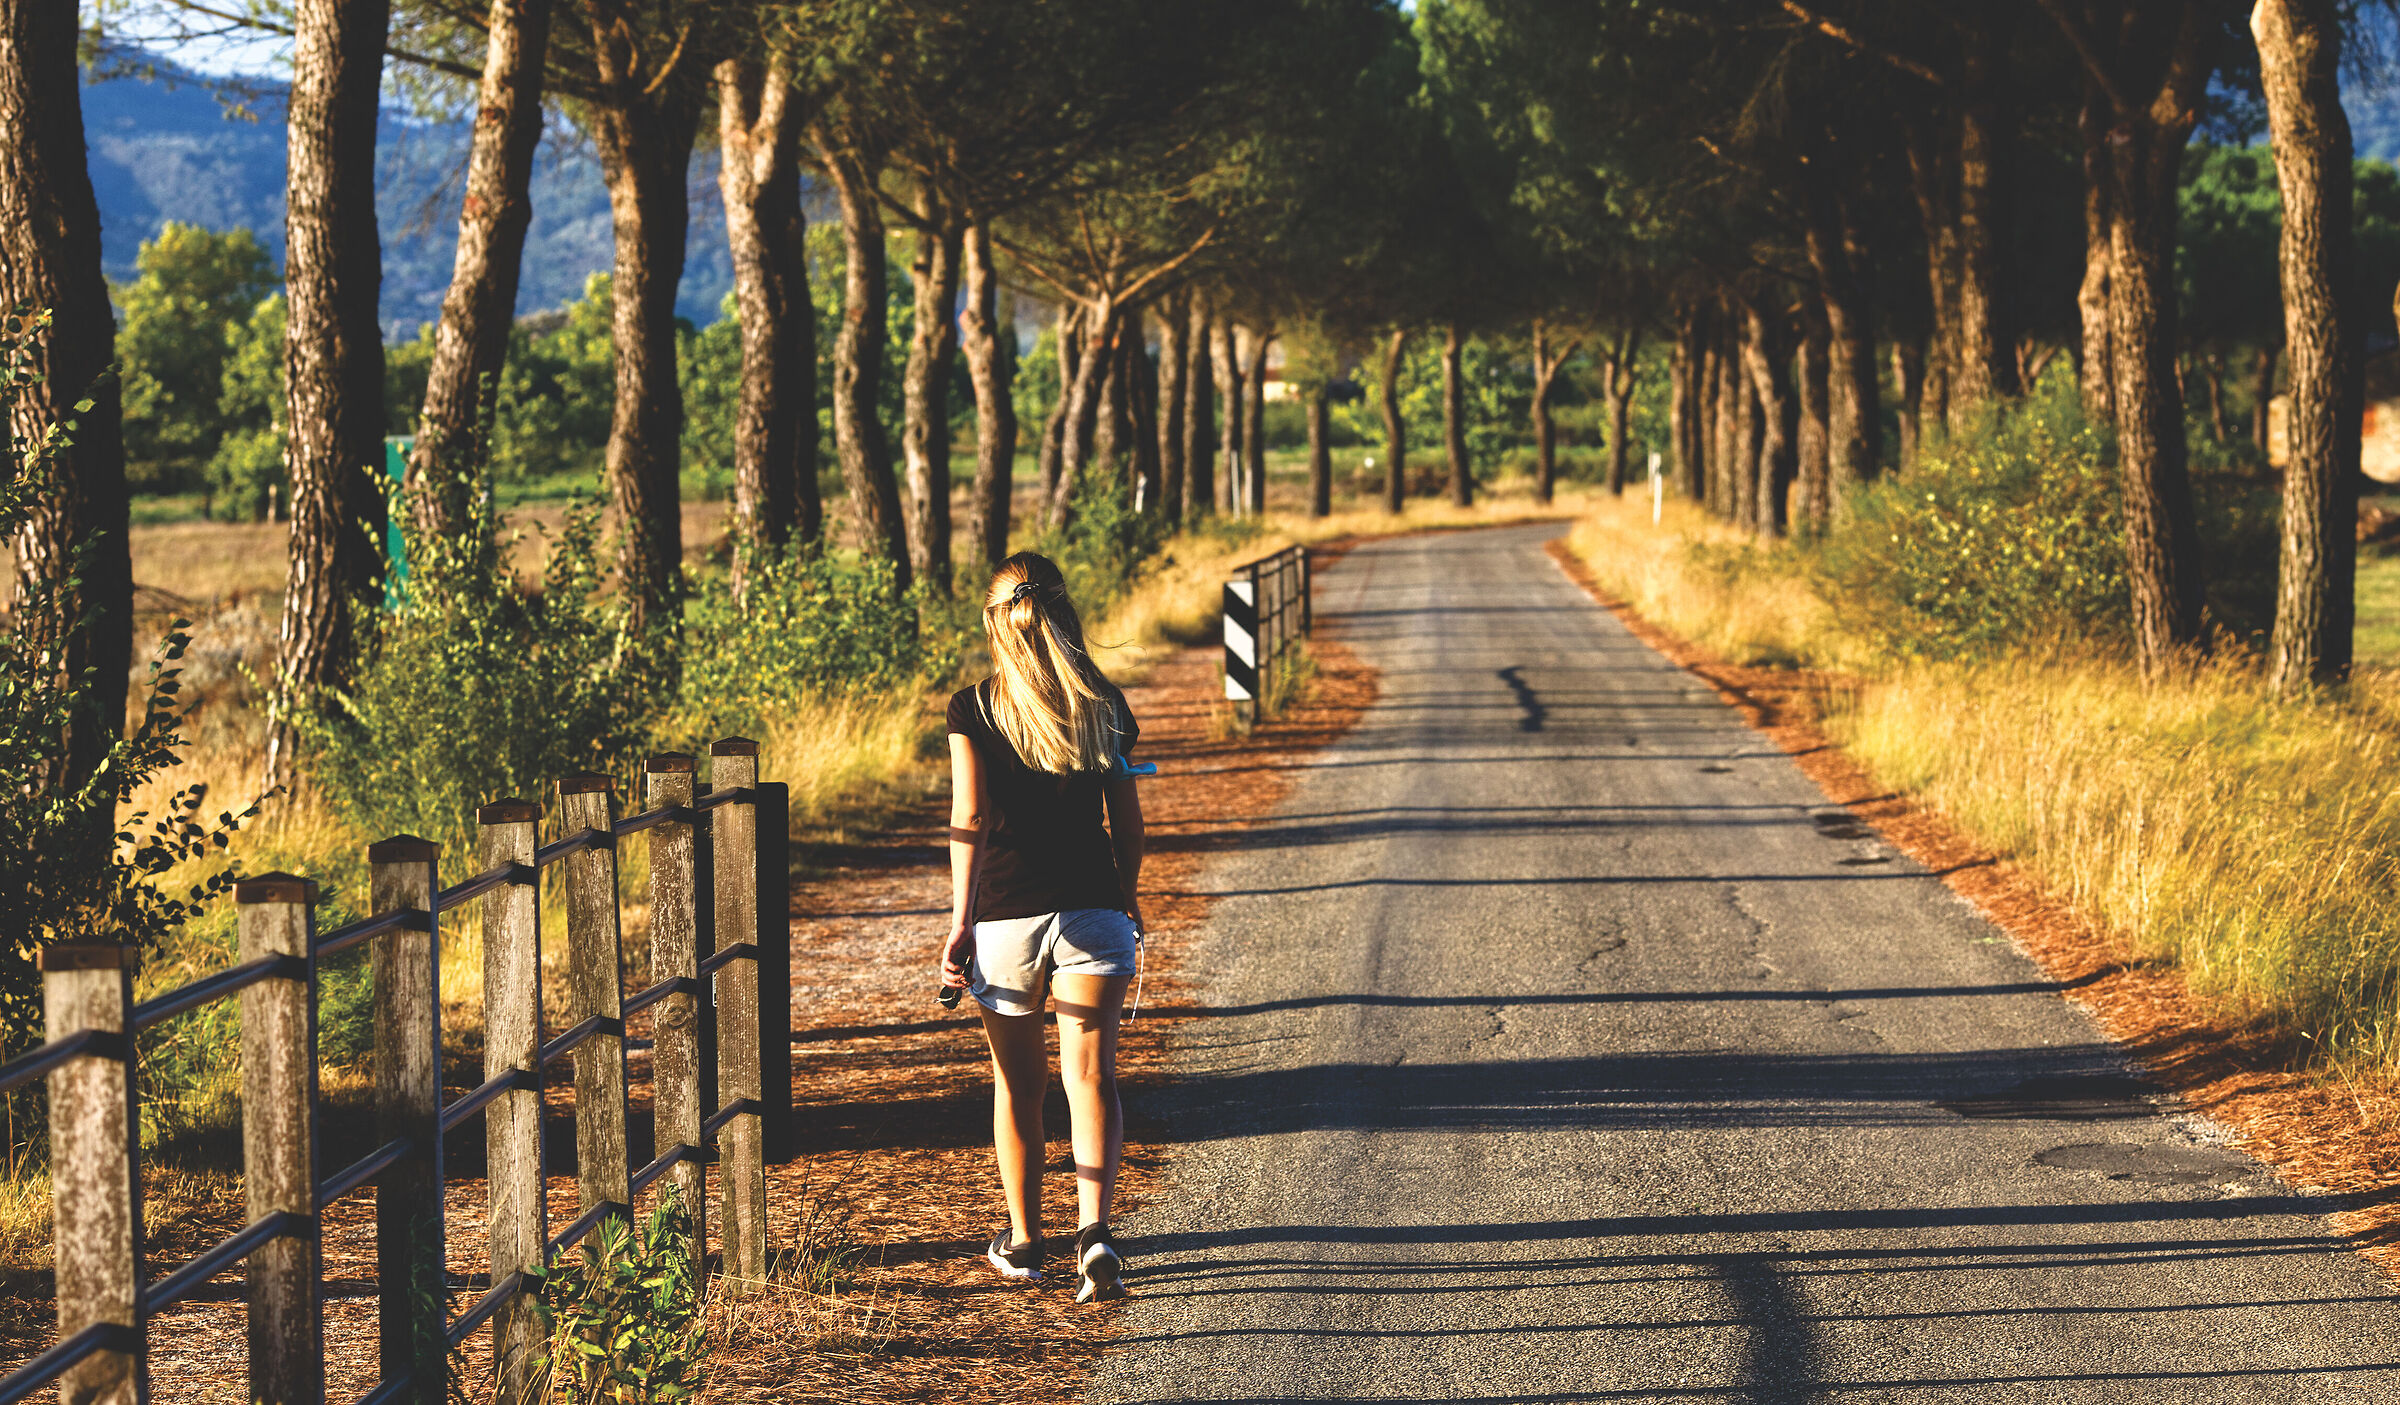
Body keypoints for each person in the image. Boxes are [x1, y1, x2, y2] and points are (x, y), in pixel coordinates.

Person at [941, 551, 1145, 1303]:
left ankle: (1026, 1240)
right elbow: (1127, 824)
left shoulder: (973, 708)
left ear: (997, 623)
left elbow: (967, 819)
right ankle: (1095, 1232)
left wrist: (960, 924)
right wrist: (1126, 900)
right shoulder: (1105, 703)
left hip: (1004, 919)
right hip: (1094, 912)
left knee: (1017, 1085)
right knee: (1090, 1077)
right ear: (1064, 612)